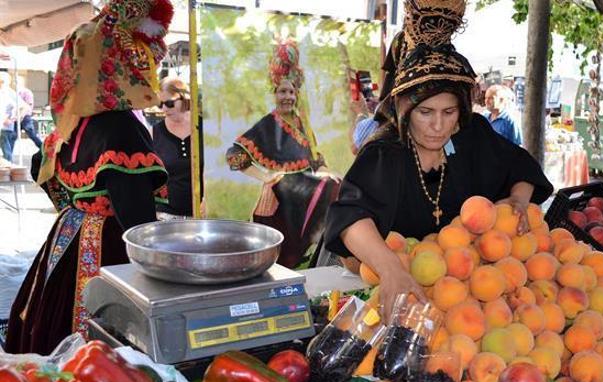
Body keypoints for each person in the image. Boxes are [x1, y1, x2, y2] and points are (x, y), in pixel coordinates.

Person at [324, 0, 552, 320]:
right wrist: (390, 268)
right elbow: (350, 217)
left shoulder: (471, 136)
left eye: (449, 112)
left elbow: (520, 165)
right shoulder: (386, 152)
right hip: (392, 291)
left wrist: (517, 198)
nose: (438, 125)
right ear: (404, 109)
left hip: (463, 295)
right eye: (425, 112)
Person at [6, 0, 173, 354]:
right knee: (100, 346)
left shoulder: (71, 125)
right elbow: (137, 224)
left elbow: (47, 176)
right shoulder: (122, 128)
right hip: (105, 247)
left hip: (67, 235)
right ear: (121, 66)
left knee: (51, 327)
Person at [226, 38, 338, 269]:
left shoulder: (302, 122)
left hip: (305, 184)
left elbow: (316, 159)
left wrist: (328, 172)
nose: (288, 96)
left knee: (336, 185)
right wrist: (265, 177)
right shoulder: (267, 124)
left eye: (292, 91)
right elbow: (234, 155)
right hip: (284, 187)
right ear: (274, 94)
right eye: (282, 91)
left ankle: (315, 256)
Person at [153, 76, 198, 218]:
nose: (165, 108)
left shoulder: (203, 128)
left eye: (169, 103)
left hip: (202, 213)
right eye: (160, 104)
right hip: (166, 214)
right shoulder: (154, 132)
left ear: (184, 98)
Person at [0, 72, 22, 161]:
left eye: (2, 81)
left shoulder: (11, 94)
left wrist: (12, 119)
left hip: (5, 128)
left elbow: (23, 108)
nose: (0, 83)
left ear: (8, 82)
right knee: (7, 152)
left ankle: (8, 170)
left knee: (7, 153)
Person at [16, 76, 42, 151]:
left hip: (25, 117)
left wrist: (21, 115)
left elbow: (28, 105)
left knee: (32, 134)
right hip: (16, 117)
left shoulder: (27, 92)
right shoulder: (16, 93)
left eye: (17, 81)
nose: (15, 83)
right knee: (12, 135)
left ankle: (42, 148)